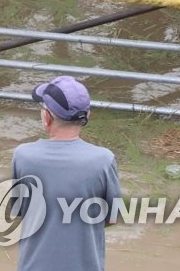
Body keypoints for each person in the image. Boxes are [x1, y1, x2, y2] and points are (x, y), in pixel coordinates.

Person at [9, 75, 120, 271]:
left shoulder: (23, 156)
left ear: (47, 117)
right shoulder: (104, 160)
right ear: (88, 115)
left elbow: (19, 210)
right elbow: (111, 218)